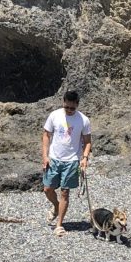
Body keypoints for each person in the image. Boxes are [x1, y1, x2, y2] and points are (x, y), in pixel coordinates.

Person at [41, 90, 92, 237]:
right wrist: (45, 156)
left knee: (65, 192)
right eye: (66, 107)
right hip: (54, 158)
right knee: (47, 189)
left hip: (71, 161)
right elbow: (46, 135)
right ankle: (56, 207)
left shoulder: (83, 120)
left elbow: (87, 142)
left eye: (72, 108)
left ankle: (59, 225)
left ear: (77, 105)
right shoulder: (54, 115)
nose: (69, 110)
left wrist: (84, 158)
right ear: (63, 103)